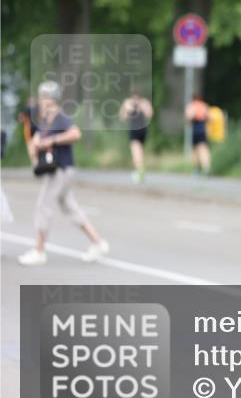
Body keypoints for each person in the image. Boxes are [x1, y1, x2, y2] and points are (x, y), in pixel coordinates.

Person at [18, 81, 110, 266]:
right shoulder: (46, 120)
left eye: (46, 98)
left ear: (53, 99)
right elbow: (38, 139)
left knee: (43, 205)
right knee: (69, 207)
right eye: (42, 98)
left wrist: (52, 139)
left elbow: (75, 133)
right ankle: (98, 242)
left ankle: (39, 251)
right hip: (57, 170)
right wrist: (36, 144)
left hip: (61, 170)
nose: (43, 101)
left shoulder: (60, 117)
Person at [119, 89, 154, 183]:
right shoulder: (144, 102)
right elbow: (150, 114)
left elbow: (123, 117)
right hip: (143, 130)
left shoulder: (128, 103)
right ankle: (138, 170)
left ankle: (140, 170)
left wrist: (129, 109)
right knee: (139, 152)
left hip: (135, 130)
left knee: (136, 152)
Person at [185, 93, 211, 176]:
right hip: (203, 128)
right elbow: (210, 118)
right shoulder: (204, 106)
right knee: (204, 148)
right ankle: (206, 167)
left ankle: (196, 170)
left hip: (196, 128)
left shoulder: (192, 106)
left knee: (195, 150)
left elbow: (189, 117)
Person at [17, 96, 38, 166]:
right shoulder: (38, 109)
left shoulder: (26, 109)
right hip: (38, 131)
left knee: (31, 148)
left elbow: (20, 119)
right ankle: (38, 162)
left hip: (29, 131)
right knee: (37, 147)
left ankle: (35, 163)